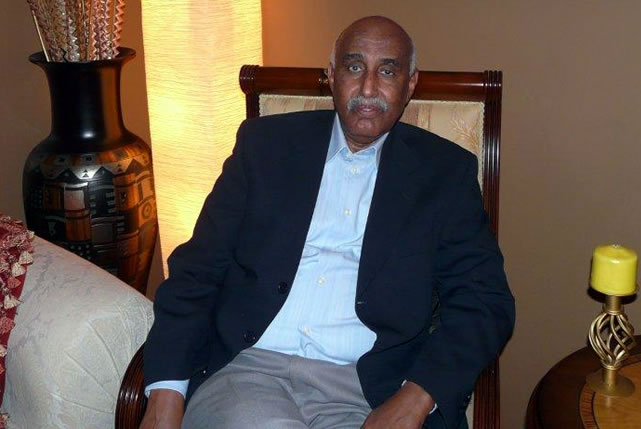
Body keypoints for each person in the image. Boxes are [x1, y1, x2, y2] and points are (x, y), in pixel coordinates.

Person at [140, 16, 514, 429]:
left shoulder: (444, 173)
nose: (368, 88)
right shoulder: (265, 147)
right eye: (354, 67)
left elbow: (484, 301)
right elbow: (198, 270)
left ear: (409, 85)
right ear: (332, 76)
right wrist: (165, 394)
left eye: (387, 71)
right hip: (249, 374)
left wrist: (416, 397)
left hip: (369, 390)